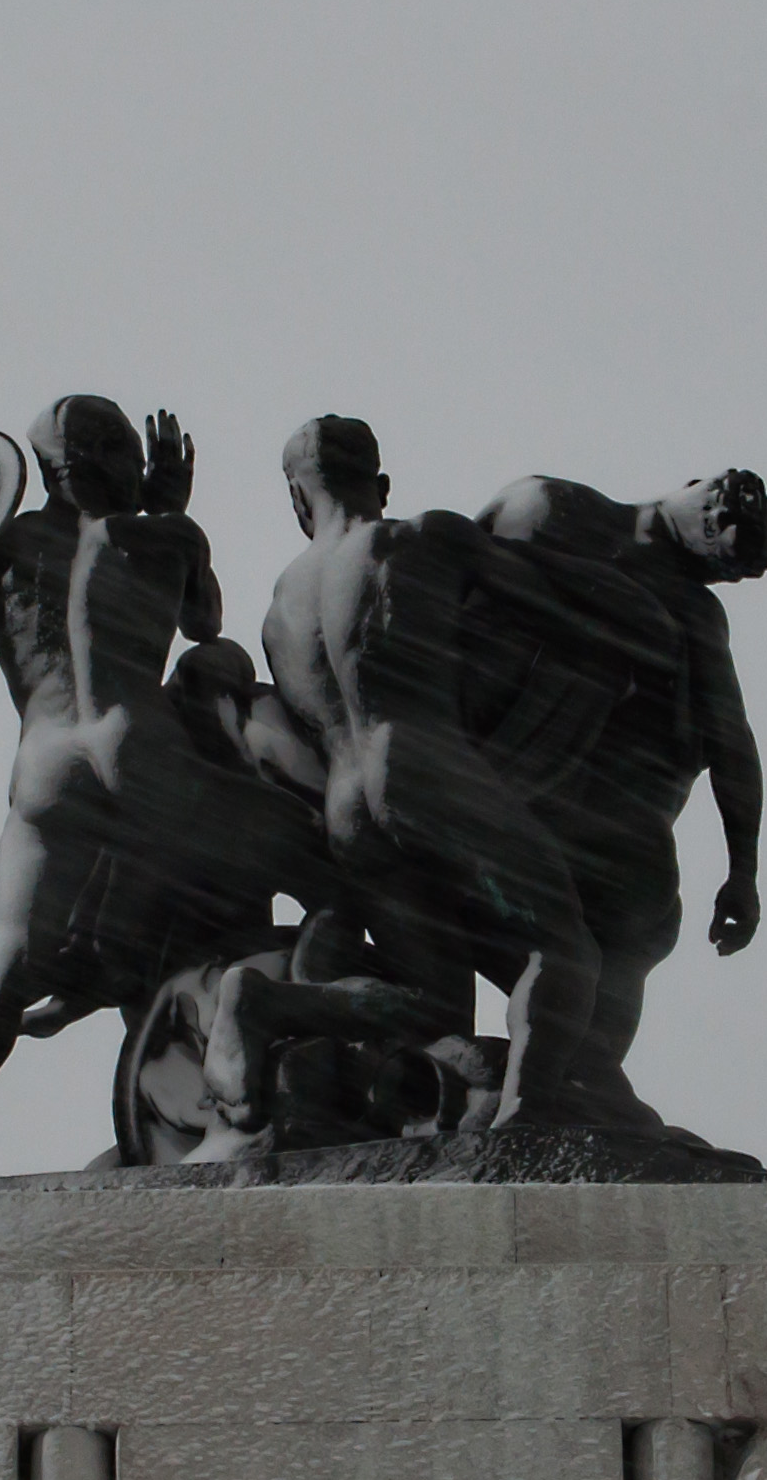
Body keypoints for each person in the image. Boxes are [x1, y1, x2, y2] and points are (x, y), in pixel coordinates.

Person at [0, 396, 319, 1189]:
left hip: (48, 757)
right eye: (131, 451)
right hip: (138, 743)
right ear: (107, 457)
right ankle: (213, 1080)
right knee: (241, 889)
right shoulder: (159, 535)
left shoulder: (5, 545)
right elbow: (205, 623)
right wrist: (170, 512)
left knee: (7, 955)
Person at [256, 416, 606, 1130]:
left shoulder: (279, 608)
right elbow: (560, 614)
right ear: (381, 483)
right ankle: (525, 1116)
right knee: (564, 946)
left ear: (298, 497)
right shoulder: (422, 539)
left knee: (433, 1005)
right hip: (423, 766)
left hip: (347, 806)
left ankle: (269, 1002)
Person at [474, 469, 767, 1130]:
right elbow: (444, 591)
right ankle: (551, 1092)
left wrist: (744, 870)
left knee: (619, 943)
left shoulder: (691, 608)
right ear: (694, 484)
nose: (719, 529)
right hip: (517, 791)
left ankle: (570, 1089)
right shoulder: (551, 508)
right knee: (584, 952)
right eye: (721, 509)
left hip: (596, 823)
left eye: (730, 552)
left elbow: (731, 742)